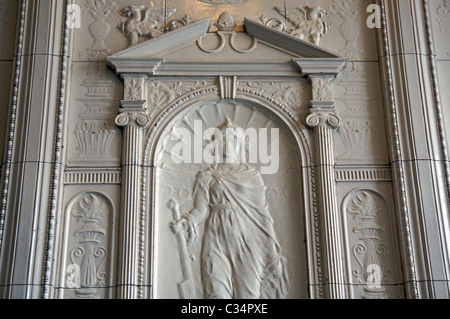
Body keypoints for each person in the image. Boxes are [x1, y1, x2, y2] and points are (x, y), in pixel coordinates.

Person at [171, 120, 289, 299]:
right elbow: (200, 210)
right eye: (223, 140)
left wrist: (271, 252)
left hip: (248, 242)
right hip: (215, 238)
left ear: (240, 144)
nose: (227, 144)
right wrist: (186, 220)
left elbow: (262, 216)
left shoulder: (252, 176)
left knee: (248, 297)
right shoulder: (206, 175)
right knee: (215, 294)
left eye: (233, 140)